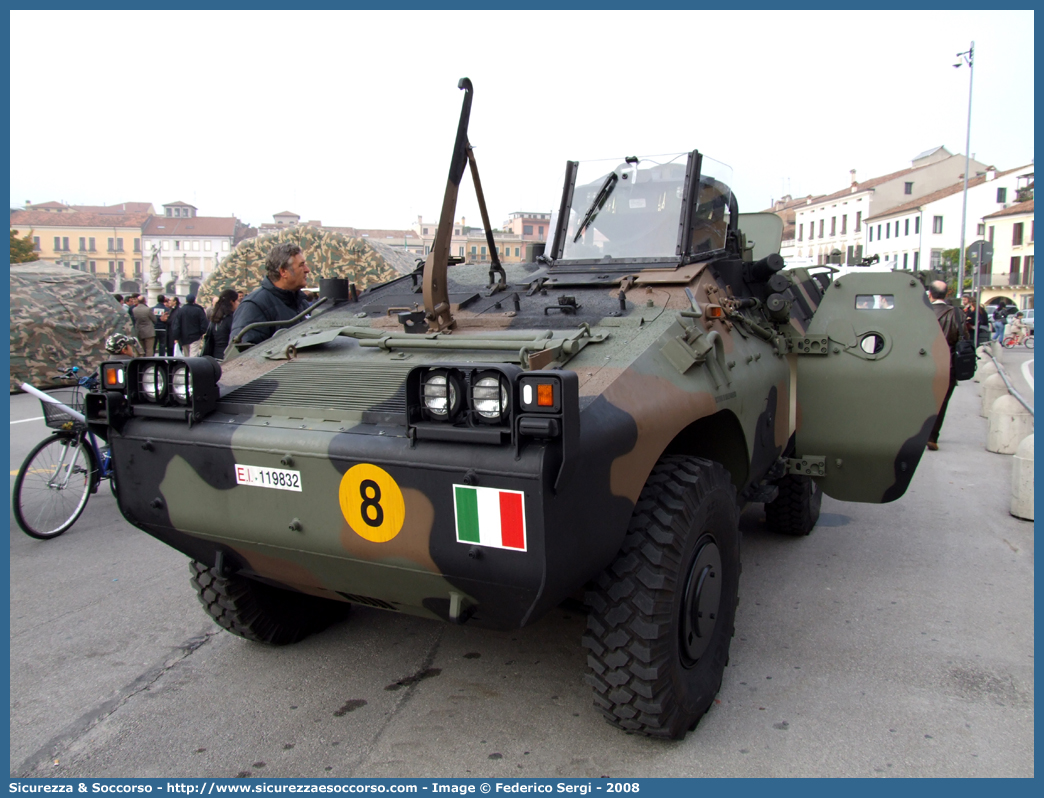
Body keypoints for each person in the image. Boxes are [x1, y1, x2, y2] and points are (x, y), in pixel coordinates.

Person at [230, 243, 312, 347]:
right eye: (301, 265)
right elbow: (242, 357)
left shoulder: (301, 303)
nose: (307, 270)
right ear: (283, 272)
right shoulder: (253, 306)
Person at [927, 280, 964, 451]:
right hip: (947, 366)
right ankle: (933, 436)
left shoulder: (922, 313)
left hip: (923, 363)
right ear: (947, 294)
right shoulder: (956, 314)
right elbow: (962, 339)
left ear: (929, 294)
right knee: (941, 401)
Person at [205, 289, 240, 359]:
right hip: (228, 356)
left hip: (215, 355)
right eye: (237, 301)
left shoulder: (214, 319)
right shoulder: (231, 319)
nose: (239, 303)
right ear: (232, 302)